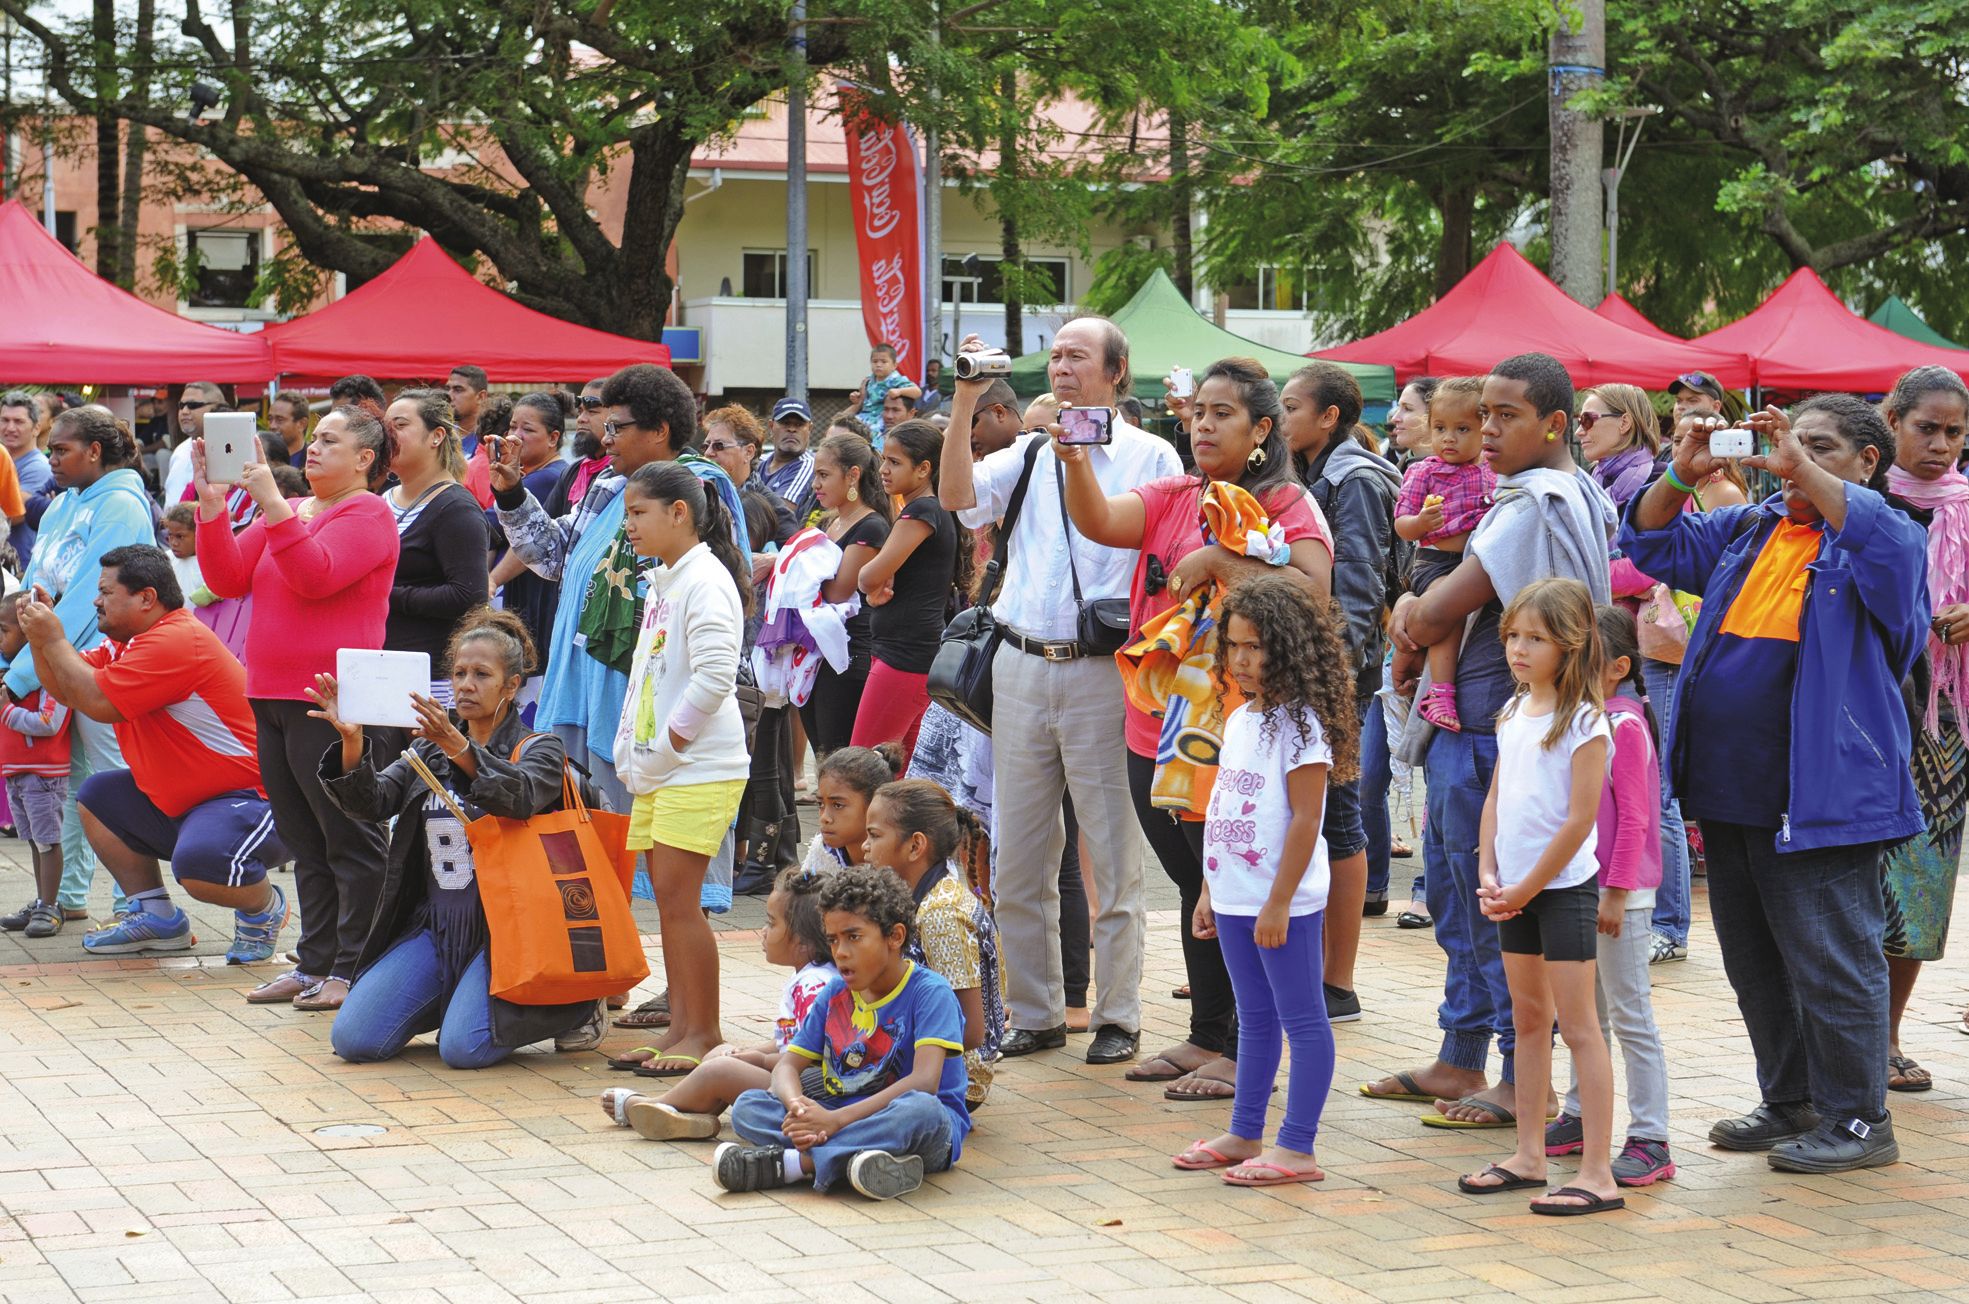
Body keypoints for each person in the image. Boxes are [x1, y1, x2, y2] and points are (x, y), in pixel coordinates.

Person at [1621, 395, 1927, 1173]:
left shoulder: (1884, 538)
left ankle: (1860, 1121)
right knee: (1754, 956)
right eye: (1786, 443)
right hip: (1727, 786)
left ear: (1867, 464)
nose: (1790, 456)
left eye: (1818, 447)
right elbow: (1649, 543)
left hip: (1820, 794)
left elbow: (1881, 542)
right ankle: (1790, 1099)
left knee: (1831, 957)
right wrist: (1679, 473)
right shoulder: (1753, 528)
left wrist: (1798, 468)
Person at [1061, 356, 1334, 1097]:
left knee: (1236, 881)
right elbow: (1096, 520)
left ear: (1261, 430)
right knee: (1194, 881)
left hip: (1243, 733)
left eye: (1222, 414)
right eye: (1198, 413)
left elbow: (1312, 592)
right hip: (1157, 726)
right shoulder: (1178, 494)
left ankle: (1248, 1046)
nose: (1203, 424)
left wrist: (1224, 555)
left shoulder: (1283, 505)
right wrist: (1075, 459)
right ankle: (1208, 1033)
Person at [1362, 353, 1616, 1129]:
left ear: (1554, 424)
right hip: (1483, 729)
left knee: (1493, 908)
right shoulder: (1563, 495)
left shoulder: (1532, 503)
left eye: (1505, 416)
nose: (1489, 431)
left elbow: (1438, 612)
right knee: (1455, 899)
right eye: (1484, 416)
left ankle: (1517, 1078)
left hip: (1495, 736)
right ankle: (1459, 1056)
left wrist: (1410, 607)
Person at [942, 322, 1182, 1068]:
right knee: (1017, 853)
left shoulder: (1152, 456)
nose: (1062, 367)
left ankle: (1117, 1014)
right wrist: (963, 402)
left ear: (1116, 371)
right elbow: (955, 496)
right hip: (1017, 662)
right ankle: (1037, 1013)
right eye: (1055, 357)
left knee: (1110, 853)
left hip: (1102, 669)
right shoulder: (1031, 450)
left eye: (1078, 356)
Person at [313, 607, 603, 1068]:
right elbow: (372, 803)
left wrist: (459, 748)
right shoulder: (429, 747)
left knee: (462, 1052)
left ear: (511, 686)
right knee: (354, 1040)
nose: (466, 684)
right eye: (460, 672)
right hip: (435, 924)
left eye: (482, 675)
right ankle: (460, 997)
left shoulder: (539, 748)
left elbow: (519, 796)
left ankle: (574, 1006)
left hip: (512, 931)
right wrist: (352, 741)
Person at [196, 407, 399, 1011]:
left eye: (329, 442)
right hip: (272, 693)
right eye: (312, 439)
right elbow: (227, 577)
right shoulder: (301, 508)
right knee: (304, 838)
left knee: (348, 837)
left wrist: (271, 502)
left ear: (365, 459)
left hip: (331, 700)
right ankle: (314, 962)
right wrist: (212, 506)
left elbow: (316, 578)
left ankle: (353, 964)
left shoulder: (368, 511)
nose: (312, 449)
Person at [15, 546, 290, 963]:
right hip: (191, 802)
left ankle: (264, 908)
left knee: (199, 865)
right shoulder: (128, 642)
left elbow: (96, 700)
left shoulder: (175, 639)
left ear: (146, 598)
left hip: (254, 800)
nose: (96, 601)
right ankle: (157, 917)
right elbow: (68, 690)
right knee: (98, 796)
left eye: (106, 592)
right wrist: (41, 641)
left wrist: (53, 637)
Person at [492, 363, 738, 812]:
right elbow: (553, 557)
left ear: (659, 430)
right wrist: (511, 494)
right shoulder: (608, 485)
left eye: (616, 427)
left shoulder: (700, 490)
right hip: (579, 683)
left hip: (643, 696)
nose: (604, 439)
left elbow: (706, 598)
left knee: (633, 839)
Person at [1174, 574, 1353, 1186]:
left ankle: (1297, 1148)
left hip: (1285, 903)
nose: (1242, 660)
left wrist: (1279, 901)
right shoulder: (1243, 719)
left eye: (1256, 647)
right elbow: (1225, 806)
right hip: (1232, 896)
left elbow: (1307, 818)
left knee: (1303, 1021)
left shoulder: (1303, 726)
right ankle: (1245, 1130)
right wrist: (1207, 889)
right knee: (1253, 1018)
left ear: (1290, 649)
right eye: (1234, 646)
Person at [1452, 577, 1620, 1216]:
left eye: (1536, 638)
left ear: (1570, 644)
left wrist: (1525, 885)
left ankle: (1598, 1171)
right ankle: (1528, 1156)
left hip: (1562, 892)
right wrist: (1490, 868)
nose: (1519, 649)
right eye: (1513, 636)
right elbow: (1498, 795)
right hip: (1512, 890)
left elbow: (1580, 820)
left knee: (1578, 1027)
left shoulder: (1584, 721)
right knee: (1527, 1021)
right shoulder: (1512, 709)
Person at [614, 461, 753, 1074]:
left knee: (680, 902)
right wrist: (637, 750)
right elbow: (651, 674)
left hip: (697, 766)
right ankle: (679, 1029)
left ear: (680, 512)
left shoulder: (705, 578)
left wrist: (667, 746)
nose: (630, 528)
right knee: (668, 903)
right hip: (665, 766)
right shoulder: (667, 578)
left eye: (639, 513)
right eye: (626, 515)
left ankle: (703, 1033)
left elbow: (717, 674)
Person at [715, 865, 970, 1199]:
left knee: (920, 1110)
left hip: (916, 1125)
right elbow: (787, 1066)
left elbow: (925, 1082)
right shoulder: (836, 992)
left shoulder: (929, 993)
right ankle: (861, 1162)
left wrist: (834, 1122)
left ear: (895, 937)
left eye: (854, 937)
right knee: (749, 1105)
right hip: (840, 1112)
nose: (841, 952)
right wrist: (799, 1109)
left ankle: (795, 1165)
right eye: (833, 940)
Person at [4, 408, 155, 925]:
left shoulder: (119, 505)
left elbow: (90, 600)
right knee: (65, 783)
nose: (51, 460)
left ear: (95, 451)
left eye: (61, 450)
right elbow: (38, 592)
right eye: (49, 450)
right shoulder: (63, 504)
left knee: (113, 780)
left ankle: (137, 903)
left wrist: (20, 675)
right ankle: (66, 897)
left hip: (104, 663)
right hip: (54, 661)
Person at [1544, 604, 1675, 1187]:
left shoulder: (1623, 726)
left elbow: (1638, 820)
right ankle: (1578, 1114)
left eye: (1583, 656)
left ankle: (1652, 1136)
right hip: (1580, 891)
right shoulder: (1582, 720)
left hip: (1619, 897)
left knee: (1630, 1014)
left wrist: (1618, 892)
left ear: (1619, 666)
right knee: (1584, 1015)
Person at [1284, 362, 1402, 999]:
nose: (1280, 417)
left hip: (1333, 679)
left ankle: (1339, 982)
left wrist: (1328, 680)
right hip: (1293, 676)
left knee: (1339, 817)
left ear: (1329, 417)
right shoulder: (1301, 473)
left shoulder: (1353, 480)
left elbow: (1357, 591)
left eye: (1292, 406)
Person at [1875, 365, 1969, 1094]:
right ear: (1891, 421)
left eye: (1953, 432)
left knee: (1918, 883)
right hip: (1863, 711)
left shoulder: (1966, 509)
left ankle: (1885, 1036)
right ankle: (1832, 1035)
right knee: (1847, 879)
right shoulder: (1860, 500)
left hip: (1943, 724)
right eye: (1925, 429)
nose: (1939, 445)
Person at [1628, 410, 1751, 965]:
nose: (1685, 446)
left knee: (1666, 792)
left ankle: (1672, 924)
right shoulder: (1685, 487)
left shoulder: (1725, 495)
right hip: (1662, 647)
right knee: (1661, 785)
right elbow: (1648, 542)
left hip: (1690, 649)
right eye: (1676, 439)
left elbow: (1657, 562)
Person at [599, 865, 837, 1138]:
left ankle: (649, 1106)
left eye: (772, 923)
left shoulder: (813, 986)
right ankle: (688, 1117)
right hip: (791, 1077)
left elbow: (809, 1058)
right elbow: (792, 1039)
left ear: (802, 943)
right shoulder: (812, 978)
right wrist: (749, 1051)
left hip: (803, 1090)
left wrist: (758, 1058)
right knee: (718, 1054)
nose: (763, 930)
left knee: (720, 1069)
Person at [863, 778, 1003, 1109]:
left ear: (915, 846)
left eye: (875, 835)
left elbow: (970, 1031)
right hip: (913, 1058)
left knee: (762, 1082)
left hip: (950, 1080)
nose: (865, 846)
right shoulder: (925, 895)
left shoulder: (942, 914)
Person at [848, 420, 960, 764]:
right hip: (909, 651)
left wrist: (871, 584)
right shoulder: (930, 507)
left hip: (904, 655)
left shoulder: (922, 509)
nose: (883, 470)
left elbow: (867, 577)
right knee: (900, 772)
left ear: (924, 468)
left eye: (895, 462)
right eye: (883, 460)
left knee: (863, 766)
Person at [1394, 376, 1497, 732]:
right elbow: (1401, 525)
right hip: (1435, 561)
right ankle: (1439, 691)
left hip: (1473, 562)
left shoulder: (1490, 472)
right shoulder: (1424, 471)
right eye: (1440, 428)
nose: (1449, 438)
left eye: (1462, 428)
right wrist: (1421, 522)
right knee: (1445, 610)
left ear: (1485, 429)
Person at [382, 390, 490, 703]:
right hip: (378, 670)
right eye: (385, 427)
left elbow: (469, 596)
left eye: (400, 425)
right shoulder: (380, 500)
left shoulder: (455, 507)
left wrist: (387, 593)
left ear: (436, 436)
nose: (388, 435)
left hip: (431, 683)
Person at [799, 433, 891, 759]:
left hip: (849, 654)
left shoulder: (871, 527)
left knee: (839, 757)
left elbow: (839, 591)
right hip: (818, 649)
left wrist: (792, 571)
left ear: (853, 475)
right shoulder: (832, 522)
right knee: (823, 753)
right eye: (815, 475)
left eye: (824, 475)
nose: (815, 484)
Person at [0, 592, 71, 937]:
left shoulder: (50, 672)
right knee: (32, 839)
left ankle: (50, 905)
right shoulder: (11, 673)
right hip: (16, 772)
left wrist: (7, 711)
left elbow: (49, 722)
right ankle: (43, 899)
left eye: (3, 630)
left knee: (47, 840)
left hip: (43, 773)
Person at [1577, 385, 1661, 511]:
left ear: (1624, 423)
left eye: (1587, 420)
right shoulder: (1595, 477)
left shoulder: (1658, 480)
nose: (1578, 432)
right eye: (1580, 421)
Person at [3, 391, 52, 567]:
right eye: (4, 420)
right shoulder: (4, 460)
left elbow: (16, 514)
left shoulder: (39, 467)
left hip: (20, 563)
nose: (9, 428)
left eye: (18, 421)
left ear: (37, 428)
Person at [164, 383, 226, 504]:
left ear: (217, 408)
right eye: (181, 405)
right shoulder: (180, 451)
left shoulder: (229, 450)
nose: (184, 411)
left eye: (193, 405)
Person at [761, 398, 818, 522]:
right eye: (785, 423)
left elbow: (776, 515)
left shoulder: (808, 464)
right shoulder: (760, 460)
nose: (792, 429)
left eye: (799, 424)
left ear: (810, 429)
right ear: (771, 426)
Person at [851, 343, 923, 438]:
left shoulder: (895, 379)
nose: (878, 365)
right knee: (849, 427)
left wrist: (899, 391)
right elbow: (864, 399)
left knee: (873, 433)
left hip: (881, 417)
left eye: (884, 362)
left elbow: (917, 392)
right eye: (875, 361)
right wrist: (857, 398)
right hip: (865, 414)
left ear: (894, 365)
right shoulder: (868, 380)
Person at [447, 365, 490, 453]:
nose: (449, 396)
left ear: (481, 397)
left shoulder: (490, 440)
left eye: (458, 389)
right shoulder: (441, 435)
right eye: (448, 389)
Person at [268, 392, 313, 468]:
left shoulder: (313, 460)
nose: (272, 426)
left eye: (280, 419)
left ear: (302, 424)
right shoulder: (263, 459)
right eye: (270, 419)